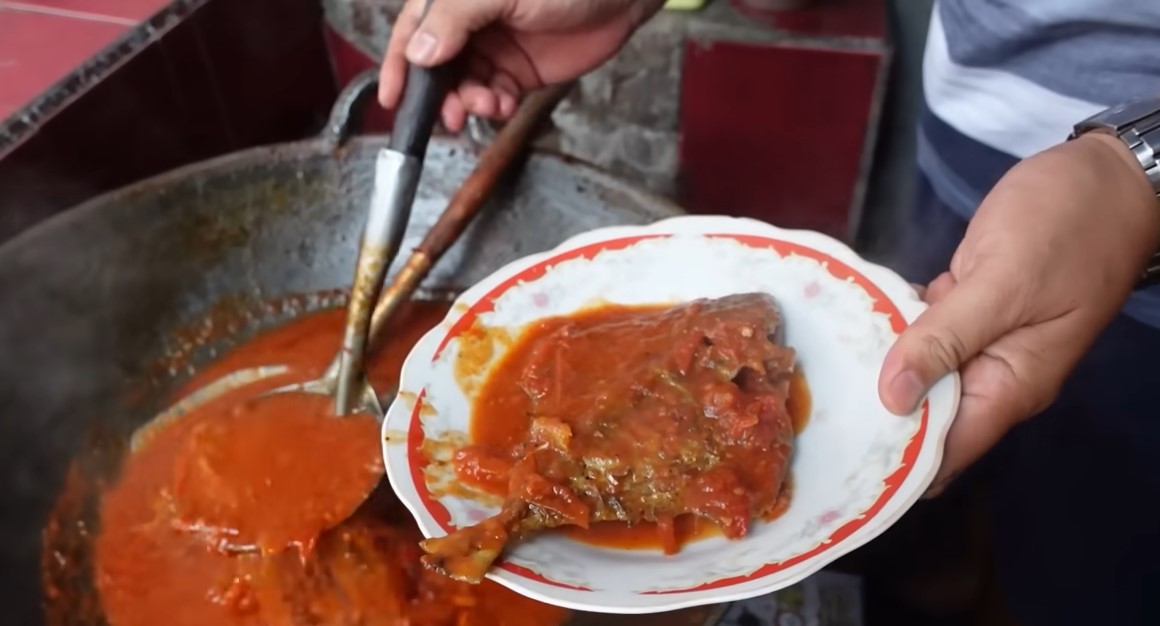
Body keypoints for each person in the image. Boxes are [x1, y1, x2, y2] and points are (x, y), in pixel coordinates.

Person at [379, 1, 1160, 623]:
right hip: (970, 130)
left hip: (1125, 230)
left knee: (1091, 557)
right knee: (932, 508)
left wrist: (1135, 172)